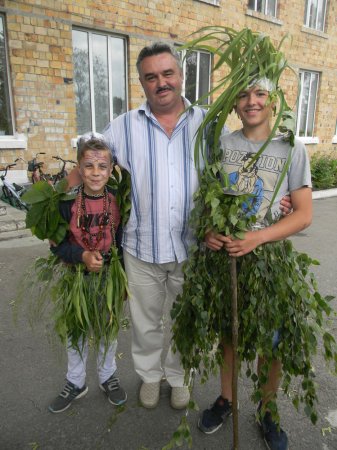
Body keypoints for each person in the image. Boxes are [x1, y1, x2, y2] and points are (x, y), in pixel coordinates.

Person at [103, 42, 292, 411]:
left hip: (193, 248)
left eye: (167, 73)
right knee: (145, 323)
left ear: (181, 75)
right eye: (151, 77)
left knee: (184, 320)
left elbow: (244, 164)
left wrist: (276, 198)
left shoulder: (209, 124)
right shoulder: (123, 126)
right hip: (142, 248)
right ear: (141, 82)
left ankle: (177, 377)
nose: (161, 83)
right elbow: (90, 158)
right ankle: (150, 376)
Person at [197, 81, 312, 450]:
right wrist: (210, 230)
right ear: (234, 104)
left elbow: (304, 214)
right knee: (229, 335)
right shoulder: (224, 145)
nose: (252, 102)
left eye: (260, 94)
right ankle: (227, 399)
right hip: (228, 259)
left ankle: (267, 410)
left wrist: (259, 237)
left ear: (273, 100)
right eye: (244, 95)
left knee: (271, 342)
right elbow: (208, 198)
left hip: (269, 261)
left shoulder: (291, 147)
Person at [48, 133, 127, 413]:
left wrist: (124, 279)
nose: (96, 172)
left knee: (108, 329)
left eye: (102, 166)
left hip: (109, 278)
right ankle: (76, 381)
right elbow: (56, 247)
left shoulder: (118, 200)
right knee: (76, 331)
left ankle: (108, 376)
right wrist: (80, 256)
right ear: (79, 169)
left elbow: (121, 240)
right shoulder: (66, 203)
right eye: (89, 166)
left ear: (110, 169)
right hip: (76, 277)